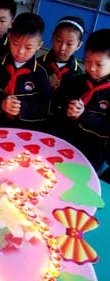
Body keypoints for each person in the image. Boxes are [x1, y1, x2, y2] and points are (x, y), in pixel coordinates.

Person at [51, 28, 110, 173]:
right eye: (87, 61)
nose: (91, 68)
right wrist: (65, 108)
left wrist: (84, 116)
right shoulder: (74, 81)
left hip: (91, 154)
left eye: (99, 64)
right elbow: (55, 109)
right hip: (64, 145)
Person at [0, 12, 51, 129]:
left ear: (39, 45)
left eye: (28, 47)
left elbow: (44, 108)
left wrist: (22, 108)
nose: (20, 52)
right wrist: (1, 103)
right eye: (15, 44)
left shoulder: (41, 75)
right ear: (9, 37)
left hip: (23, 133)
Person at [37, 16, 84, 94]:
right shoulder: (38, 63)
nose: (62, 48)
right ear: (52, 38)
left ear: (78, 45)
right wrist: (44, 82)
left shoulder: (79, 75)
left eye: (69, 44)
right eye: (58, 41)